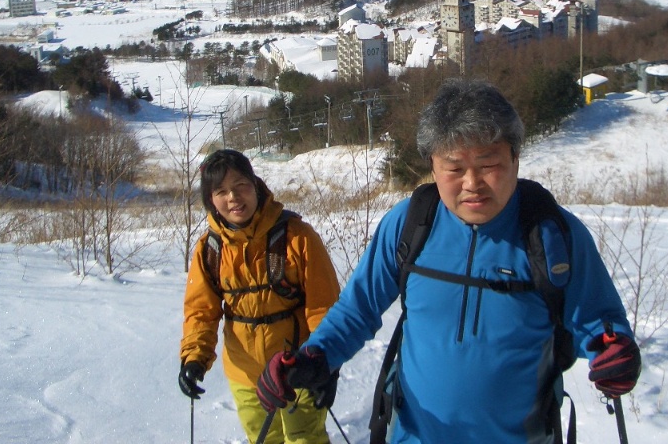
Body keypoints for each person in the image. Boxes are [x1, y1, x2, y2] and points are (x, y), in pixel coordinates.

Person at [255, 79, 641, 443]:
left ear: (515, 158)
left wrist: (614, 353)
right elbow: (359, 309)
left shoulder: (553, 235)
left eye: (488, 164)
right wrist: (315, 357)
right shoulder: (409, 225)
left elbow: (597, 321)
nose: (472, 183)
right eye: (454, 168)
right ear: (433, 167)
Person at [179, 148, 341, 444]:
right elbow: (201, 311)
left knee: (305, 438)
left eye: (241, 185)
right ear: (211, 200)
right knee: (264, 440)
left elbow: (324, 306)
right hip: (245, 373)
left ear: (256, 185)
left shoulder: (297, 236)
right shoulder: (209, 250)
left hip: (298, 366)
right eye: (221, 191)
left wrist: (326, 361)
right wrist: (194, 358)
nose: (233, 197)